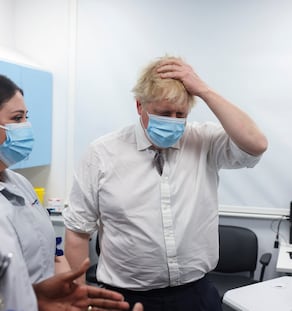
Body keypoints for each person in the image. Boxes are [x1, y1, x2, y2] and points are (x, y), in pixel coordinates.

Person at [63, 56, 268, 311]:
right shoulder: (102, 154)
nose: (172, 120)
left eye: (180, 114)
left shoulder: (203, 141)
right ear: (140, 106)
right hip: (126, 298)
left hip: (196, 295)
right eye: (163, 113)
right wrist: (79, 300)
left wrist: (203, 90)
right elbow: (77, 231)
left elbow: (256, 144)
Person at [0, 74, 143, 311]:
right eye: (17, 118)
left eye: (26, 117)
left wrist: (75, 301)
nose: (26, 127)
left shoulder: (21, 184)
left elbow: (53, 253)